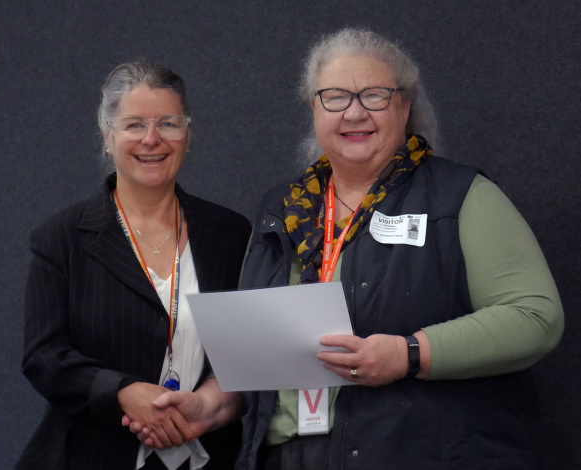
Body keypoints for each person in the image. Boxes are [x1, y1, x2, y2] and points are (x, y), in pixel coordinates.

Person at [234, 28, 564, 470]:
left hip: (416, 453)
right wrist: (215, 403)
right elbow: (253, 349)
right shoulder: (282, 209)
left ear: (405, 107)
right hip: (291, 455)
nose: (354, 113)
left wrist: (410, 354)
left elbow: (535, 316)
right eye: (334, 96)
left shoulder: (461, 196)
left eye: (374, 95)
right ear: (314, 108)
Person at [18, 61, 251, 470]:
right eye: (134, 125)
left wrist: (206, 404)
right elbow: (44, 356)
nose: (151, 139)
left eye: (168, 123)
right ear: (107, 136)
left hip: (208, 456)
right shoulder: (62, 237)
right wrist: (122, 392)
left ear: (187, 134)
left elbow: (246, 355)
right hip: (90, 457)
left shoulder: (230, 234)